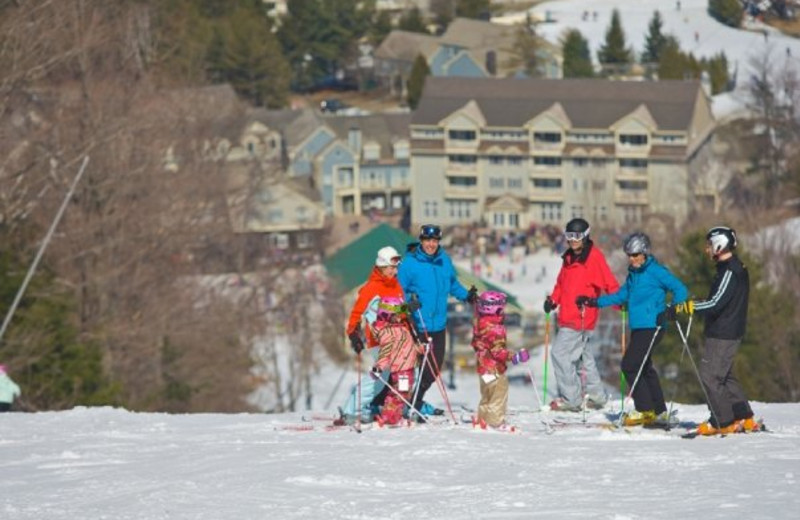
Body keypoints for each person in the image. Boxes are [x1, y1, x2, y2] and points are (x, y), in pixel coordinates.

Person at [577, 232, 689, 427]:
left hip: (653, 325)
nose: (633, 258)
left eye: (636, 254)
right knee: (644, 368)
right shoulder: (633, 276)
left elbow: (680, 289)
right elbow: (620, 296)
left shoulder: (656, 271)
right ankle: (659, 411)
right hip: (639, 327)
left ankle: (645, 410)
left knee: (629, 365)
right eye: (629, 255)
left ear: (645, 253)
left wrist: (673, 308)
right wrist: (594, 301)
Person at [668, 226, 760, 435]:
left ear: (720, 244)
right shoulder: (733, 267)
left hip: (723, 331)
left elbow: (715, 303)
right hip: (728, 329)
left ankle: (723, 421)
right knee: (723, 375)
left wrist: (685, 307)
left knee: (710, 375)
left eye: (709, 245)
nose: (706, 250)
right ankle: (743, 416)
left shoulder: (729, 270)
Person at [398, 224, 477, 421]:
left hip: (439, 325)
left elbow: (452, 284)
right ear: (421, 241)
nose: (431, 244)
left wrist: (466, 296)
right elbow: (399, 290)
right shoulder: (409, 264)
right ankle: (398, 402)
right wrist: (409, 303)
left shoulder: (444, 261)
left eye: (434, 241)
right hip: (418, 323)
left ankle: (415, 401)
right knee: (408, 367)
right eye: (427, 240)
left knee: (433, 368)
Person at [544, 218, 619, 412]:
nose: (573, 240)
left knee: (559, 353)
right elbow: (562, 285)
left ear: (585, 236)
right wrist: (553, 300)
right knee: (582, 357)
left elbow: (609, 283)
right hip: (567, 315)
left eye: (577, 236)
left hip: (581, 316)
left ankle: (572, 399)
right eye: (569, 236)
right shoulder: (568, 258)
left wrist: (620, 302)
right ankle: (597, 396)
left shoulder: (594, 258)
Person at [340, 246, 406, 423]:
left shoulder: (397, 286)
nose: (394, 271)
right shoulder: (371, 288)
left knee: (386, 377)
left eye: (396, 267)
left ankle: (385, 407)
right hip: (378, 339)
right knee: (380, 375)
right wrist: (353, 333)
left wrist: (409, 310)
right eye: (391, 268)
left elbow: (397, 311)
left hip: (397, 338)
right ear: (381, 267)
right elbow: (357, 312)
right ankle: (353, 410)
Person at [471, 291, 528, 429]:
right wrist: (515, 356)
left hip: (483, 368)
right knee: (498, 393)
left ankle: (483, 418)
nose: (504, 311)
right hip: (494, 369)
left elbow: (478, 344)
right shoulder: (496, 328)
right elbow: (497, 351)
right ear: (495, 307)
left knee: (487, 394)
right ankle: (494, 421)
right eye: (502, 307)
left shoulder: (480, 324)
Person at [370, 296, 423, 426]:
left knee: (402, 394)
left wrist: (420, 349)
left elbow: (407, 346)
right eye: (396, 315)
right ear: (387, 315)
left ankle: (394, 417)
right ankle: (388, 417)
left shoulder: (399, 328)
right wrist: (379, 367)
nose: (400, 317)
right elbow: (385, 353)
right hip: (401, 369)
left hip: (407, 366)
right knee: (401, 394)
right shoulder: (388, 332)